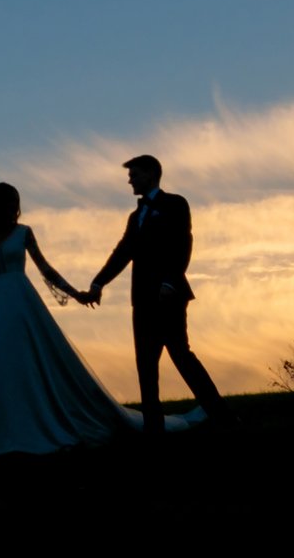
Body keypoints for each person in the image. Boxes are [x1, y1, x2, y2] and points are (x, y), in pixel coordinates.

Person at [0, 181, 184, 460]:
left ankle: (35, 429)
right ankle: (3, 436)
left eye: (16, 202)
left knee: (28, 364)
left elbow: (46, 269)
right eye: (10, 202)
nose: (15, 208)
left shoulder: (23, 233)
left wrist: (76, 294)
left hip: (23, 307)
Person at [81, 154, 232, 434]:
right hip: (141, 300)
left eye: (134, 174)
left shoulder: (175, 204)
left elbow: (183, 244)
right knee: (146, 365)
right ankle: (153, 429)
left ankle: (220, 415)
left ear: (150, 174)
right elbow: (123, 252)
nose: (130, 180)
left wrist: (170, 282)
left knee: (182, 357)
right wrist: (98, 283)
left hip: (169, 296)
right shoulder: (135, 216)